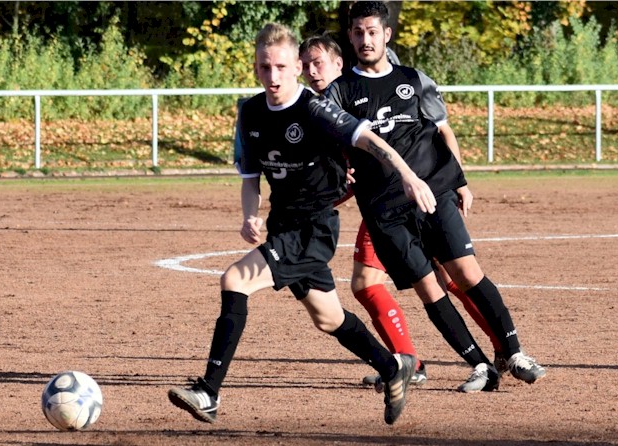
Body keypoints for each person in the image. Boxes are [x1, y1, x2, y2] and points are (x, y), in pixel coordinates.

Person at [167, 22, 441, 425]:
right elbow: (249, 178)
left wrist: (408, 175)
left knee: (235, 280)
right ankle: (392, 367)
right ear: (256, 68)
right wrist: (250, 214)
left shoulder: (316, 108)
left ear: (297, 65)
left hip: (313, 230)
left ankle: (208, 392)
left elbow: (372, 141)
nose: (273, 76)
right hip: (283, 226)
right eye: (265, 67)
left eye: (281, 66)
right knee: (328, 317)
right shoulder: (250, 112)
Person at [325, 1, 546, 392]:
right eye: (358, 33)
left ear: (386, 34)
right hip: (383, 211)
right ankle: (480, 365)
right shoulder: (339, 92)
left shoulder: (415, 79)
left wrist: (460, 180)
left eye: (372, 32)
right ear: (350, 37)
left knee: (467, 273)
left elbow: (443, 130)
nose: (365, 40)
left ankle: (514, 353)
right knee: (430, 289)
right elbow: (331, 149)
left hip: (431, 194)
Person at [299, 33, 507, 390]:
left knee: (438, 278)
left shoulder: (366, 85)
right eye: (305, 66)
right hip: (382, 205)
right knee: (421, 280)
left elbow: (434, 129)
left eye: (318, 63)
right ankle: (428, 359)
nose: (311, 72)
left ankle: (470, 355)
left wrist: (454, 181)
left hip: (409, 197)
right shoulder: (322, 111)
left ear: (339, 62)